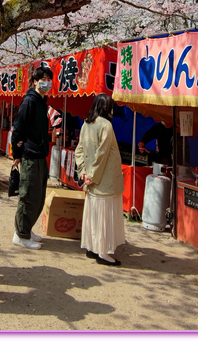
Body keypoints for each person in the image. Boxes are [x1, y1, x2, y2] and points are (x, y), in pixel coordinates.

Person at [75, 93, 125, 266]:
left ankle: (92, 247)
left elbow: (79, 150)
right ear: (106, 108)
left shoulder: (86, 124)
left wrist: (83, 172)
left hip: (91, 179)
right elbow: (102, 154)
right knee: (104, 216)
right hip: (104, 180)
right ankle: (103, 252)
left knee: (93, 215)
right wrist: (92, 176)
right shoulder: (106, 125)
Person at [11, 65, 53, 250]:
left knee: (38, 195)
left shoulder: (42, 101)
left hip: (40, 155)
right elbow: (18, 129)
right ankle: (21, 234)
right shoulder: (29, 101)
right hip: (29, 155)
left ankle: (27, 229)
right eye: (43, 79)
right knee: (28, 195)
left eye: (49, 80)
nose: (47, 83)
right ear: (35, 81)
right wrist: (17, 153)